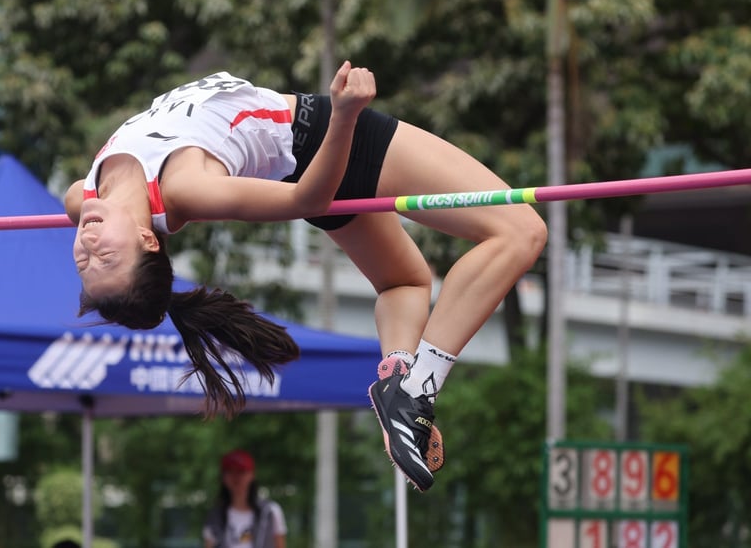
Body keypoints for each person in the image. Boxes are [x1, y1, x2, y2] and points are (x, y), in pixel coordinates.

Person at [64, 62, 547, 492]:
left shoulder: (80, 199)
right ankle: (419, 388)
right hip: (325, 139)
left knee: (404, 283)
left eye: (85, 266)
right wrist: (345, 115)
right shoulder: (183, 190)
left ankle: (398, 372)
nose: (87, 249)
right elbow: (306, 202)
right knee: (520, 230)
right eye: (106, 259)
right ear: (149, 241)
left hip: (310, 158)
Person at [202, 450, 285, 548]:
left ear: (252, 475)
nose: (236, 478)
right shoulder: (216, 515)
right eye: (230, 472)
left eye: (241, 472)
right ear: (223, 477)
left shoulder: (269, 512)